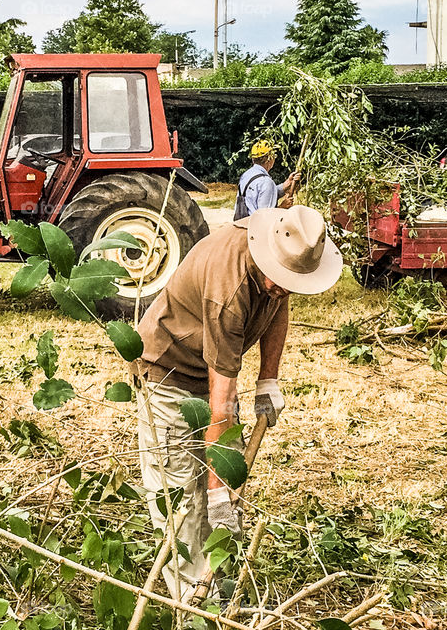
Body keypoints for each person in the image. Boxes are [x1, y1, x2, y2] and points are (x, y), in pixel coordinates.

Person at [132, 205, 343, 601]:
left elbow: (278, 305)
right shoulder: (227, 294)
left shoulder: (280, 249)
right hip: (169, 371)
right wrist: (215, 493)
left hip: (207, 369)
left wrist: (268, 379)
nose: (281, 288)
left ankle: (222, 582)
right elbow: (222, 405)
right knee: (185, 499)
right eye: (278, 280)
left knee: (226, 484)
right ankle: (194, 607)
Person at [234, 140, 302, 220]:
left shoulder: (246, 175)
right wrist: (282, 207)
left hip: (243, 223)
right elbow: (265, 218)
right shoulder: (266, 182)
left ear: (253, 160)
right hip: (256, 229)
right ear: (269, 159)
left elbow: (261, 194)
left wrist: (287, 184)